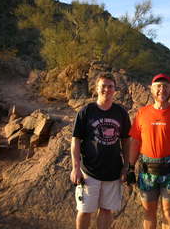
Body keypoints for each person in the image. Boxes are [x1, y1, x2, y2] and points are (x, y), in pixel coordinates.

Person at [127, 73, 170, 229]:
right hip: (147, 170)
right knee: (148, 211)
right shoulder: (142, 113)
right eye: (158, 86)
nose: (162, 89)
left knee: (168, 211)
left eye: (166, 86)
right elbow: (135, 142)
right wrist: (130, 168)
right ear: (152, 90)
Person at [70, 72, 131, 229]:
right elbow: (76, 140)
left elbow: (126, 140)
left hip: (113, 172)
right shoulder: (86, 111)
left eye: (110, 86)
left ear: (115, 90)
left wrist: (126, 167)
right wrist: (75, 167)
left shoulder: (121, 113)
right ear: (96, 88)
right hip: (89, 171)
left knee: (106, 210)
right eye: (103, 86)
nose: (107, 89)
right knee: (84, 210)